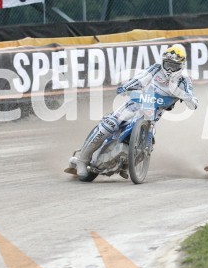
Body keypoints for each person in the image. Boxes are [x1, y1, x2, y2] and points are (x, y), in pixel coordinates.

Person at [71, 45, 198, 178]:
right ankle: (82, 160)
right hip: (137, 103)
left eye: (174, 65)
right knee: (110, 123)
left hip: (153, 115)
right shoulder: (156, 68)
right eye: (168, 64)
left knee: (149, 142)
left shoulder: (185, 80)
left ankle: (127, 162)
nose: (170, 69)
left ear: (182, 64)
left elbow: (193, 104)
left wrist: (182, 94)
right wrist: (126, 87)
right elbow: (141, 78)